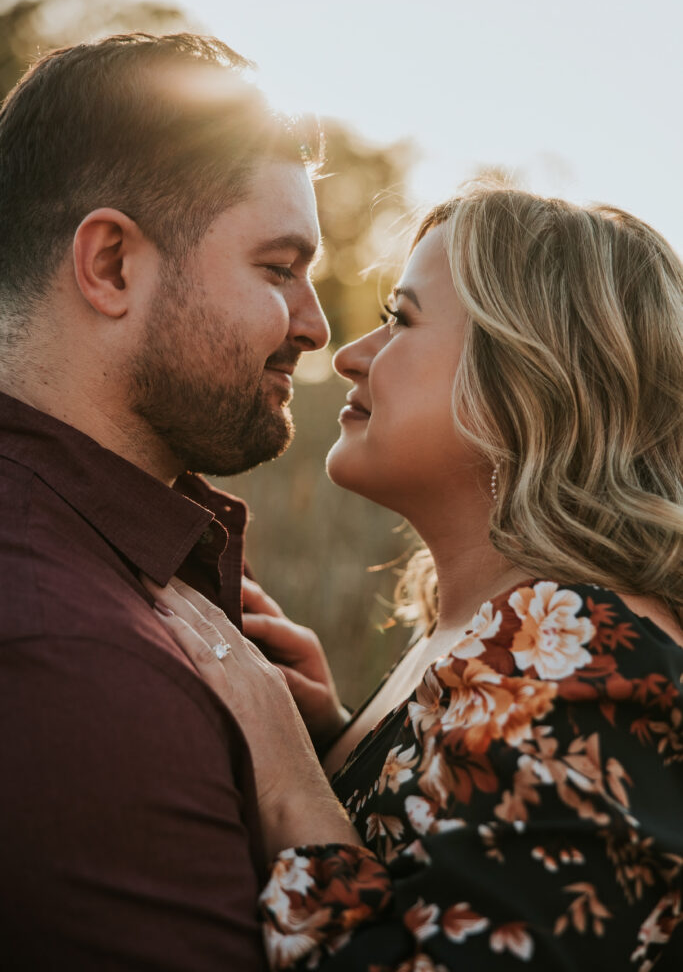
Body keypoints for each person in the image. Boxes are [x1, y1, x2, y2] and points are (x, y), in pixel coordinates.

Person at [146, 185, 683, 970]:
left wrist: (291, 785)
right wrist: (338, 742)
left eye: (399, 319)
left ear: (523, 381)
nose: (348, 354)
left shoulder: (587, 660)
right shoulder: (508, 641)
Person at [0, 32, 332, 968]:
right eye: (277, 268)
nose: (315, 325)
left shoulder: (121, 572)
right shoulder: (73, 663)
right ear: (110, 265)